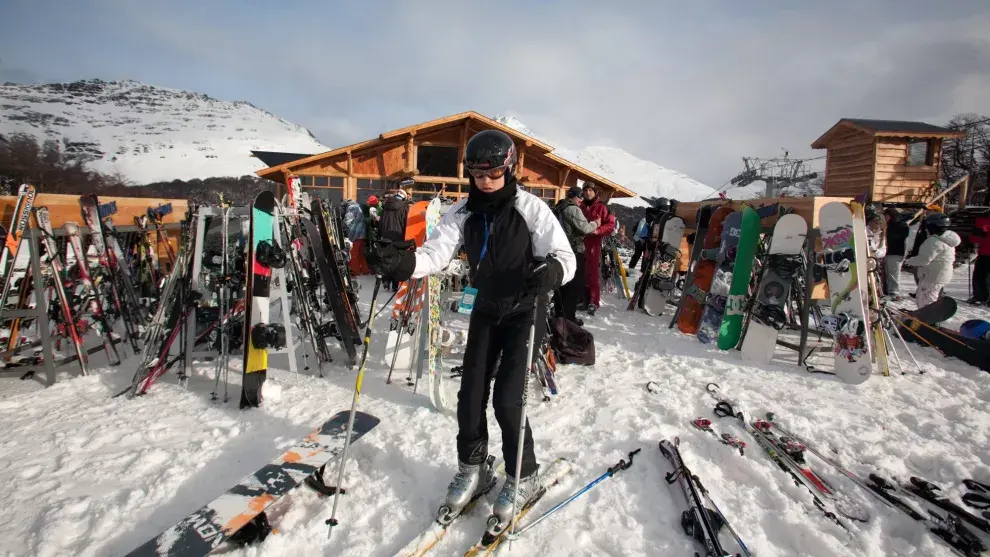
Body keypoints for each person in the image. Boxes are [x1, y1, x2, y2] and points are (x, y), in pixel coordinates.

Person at [365, 129, 576, 527]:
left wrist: (552, 270)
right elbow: (436, 252)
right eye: (478, 175)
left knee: (508, 400)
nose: (485, 182)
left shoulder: (531, 208)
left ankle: (522, 473)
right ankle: (473, 466)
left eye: (493, 174)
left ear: (508, 168)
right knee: (470, 395)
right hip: (486, 309)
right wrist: (401, 265)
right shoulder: (463, 212)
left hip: (524, 311)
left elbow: (565, 256)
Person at [552, 185, 598, 324]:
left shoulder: (558, 207)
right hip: (574, 251)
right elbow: (585, 228)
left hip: (559, 251)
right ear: (575, 196)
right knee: (574, 286)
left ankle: (558, 315)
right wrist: (596, 223)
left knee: (562, 285)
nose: (581, 201)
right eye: (580, 197)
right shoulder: (572, 209)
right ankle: (568, 319)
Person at [903, 212, 960, 309]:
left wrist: (908, 261)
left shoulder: (934, 241)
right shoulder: (946, 239)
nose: (926, 229)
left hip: (932, 275)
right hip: (940, 274)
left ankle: (927, 322)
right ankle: (929, 320)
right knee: (930, 298)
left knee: (926, 301)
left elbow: (924, 260)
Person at [579, 182, 615, 315]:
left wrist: (598, 231)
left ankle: (594, 301)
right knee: (581, 272)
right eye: (585, 190)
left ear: (595, 192)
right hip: (580, 242)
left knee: (592, 273)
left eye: (590, 190)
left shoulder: (602, 207)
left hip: (594, 243)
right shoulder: (580, 206)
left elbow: (610, 225)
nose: (588, 193)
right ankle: (583, 299)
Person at [378, 188, 411, 291]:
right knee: (397, 260)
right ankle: (395, 285)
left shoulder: (385, 207)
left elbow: (380, 223)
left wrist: (380, 236)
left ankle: (386, 281)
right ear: (404, 197)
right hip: (398, 237)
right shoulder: (404, 207)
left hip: (385, 237)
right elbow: (406, 223)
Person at [884, 208, 909, 299]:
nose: (885, 218)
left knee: (894, 273)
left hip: (896, 252)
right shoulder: (888, 225)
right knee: (888, 272)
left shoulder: (901, 225)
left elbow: (903, 238)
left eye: (886, 216)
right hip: (887, 252)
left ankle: (894, 291)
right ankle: (888, 289)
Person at [343, 199, 370, 275]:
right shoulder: (358, 207)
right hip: (362, 234)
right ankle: (364, 270)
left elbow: (347, 221)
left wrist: (342, 225)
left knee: (353, 253)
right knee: (361, 253)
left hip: (355, 234)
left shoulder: (351, 208)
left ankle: (355, 271)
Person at [968, 215, 990, 305]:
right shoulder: (982, 220)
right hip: (984, 253)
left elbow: (976, 237)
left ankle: (982, 297)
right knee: (980, 275)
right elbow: (976, 236)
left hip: (986, 253)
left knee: (983, 276)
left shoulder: (982, 220)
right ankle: (980, 296)